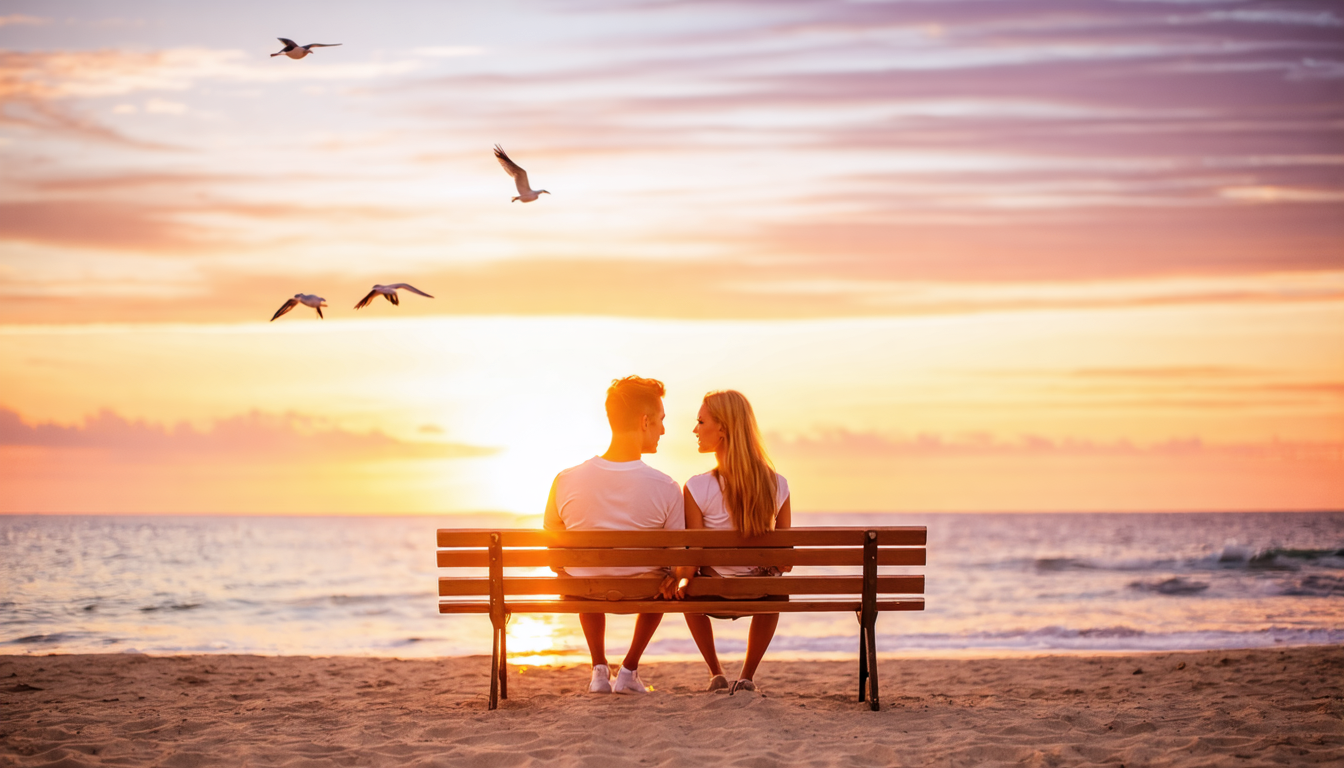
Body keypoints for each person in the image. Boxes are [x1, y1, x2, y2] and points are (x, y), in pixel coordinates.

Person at [542, 375, 684, 695]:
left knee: (579, 575)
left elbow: (553, 546)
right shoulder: (667, 487)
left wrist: (567, 568)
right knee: (664, 579)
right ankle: (629, 670)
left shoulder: (565, 480)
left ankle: (599, 670)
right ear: (644, 421)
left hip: (583, 590)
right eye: (661, 420)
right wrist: (672, 573)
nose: (663, 429)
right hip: (646, 593)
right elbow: (678, 558)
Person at [676, 389, 791, 694]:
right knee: (778, 592)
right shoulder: (779, 485)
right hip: (760, 594)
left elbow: (695, 556)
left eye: (701, 422)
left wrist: (679, 577)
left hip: (711, 592)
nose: (695, 429)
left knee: (686, 590)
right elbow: (786, 561)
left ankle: (716, 671)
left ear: (723, 429)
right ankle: (748, 676)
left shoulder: (696, 487)